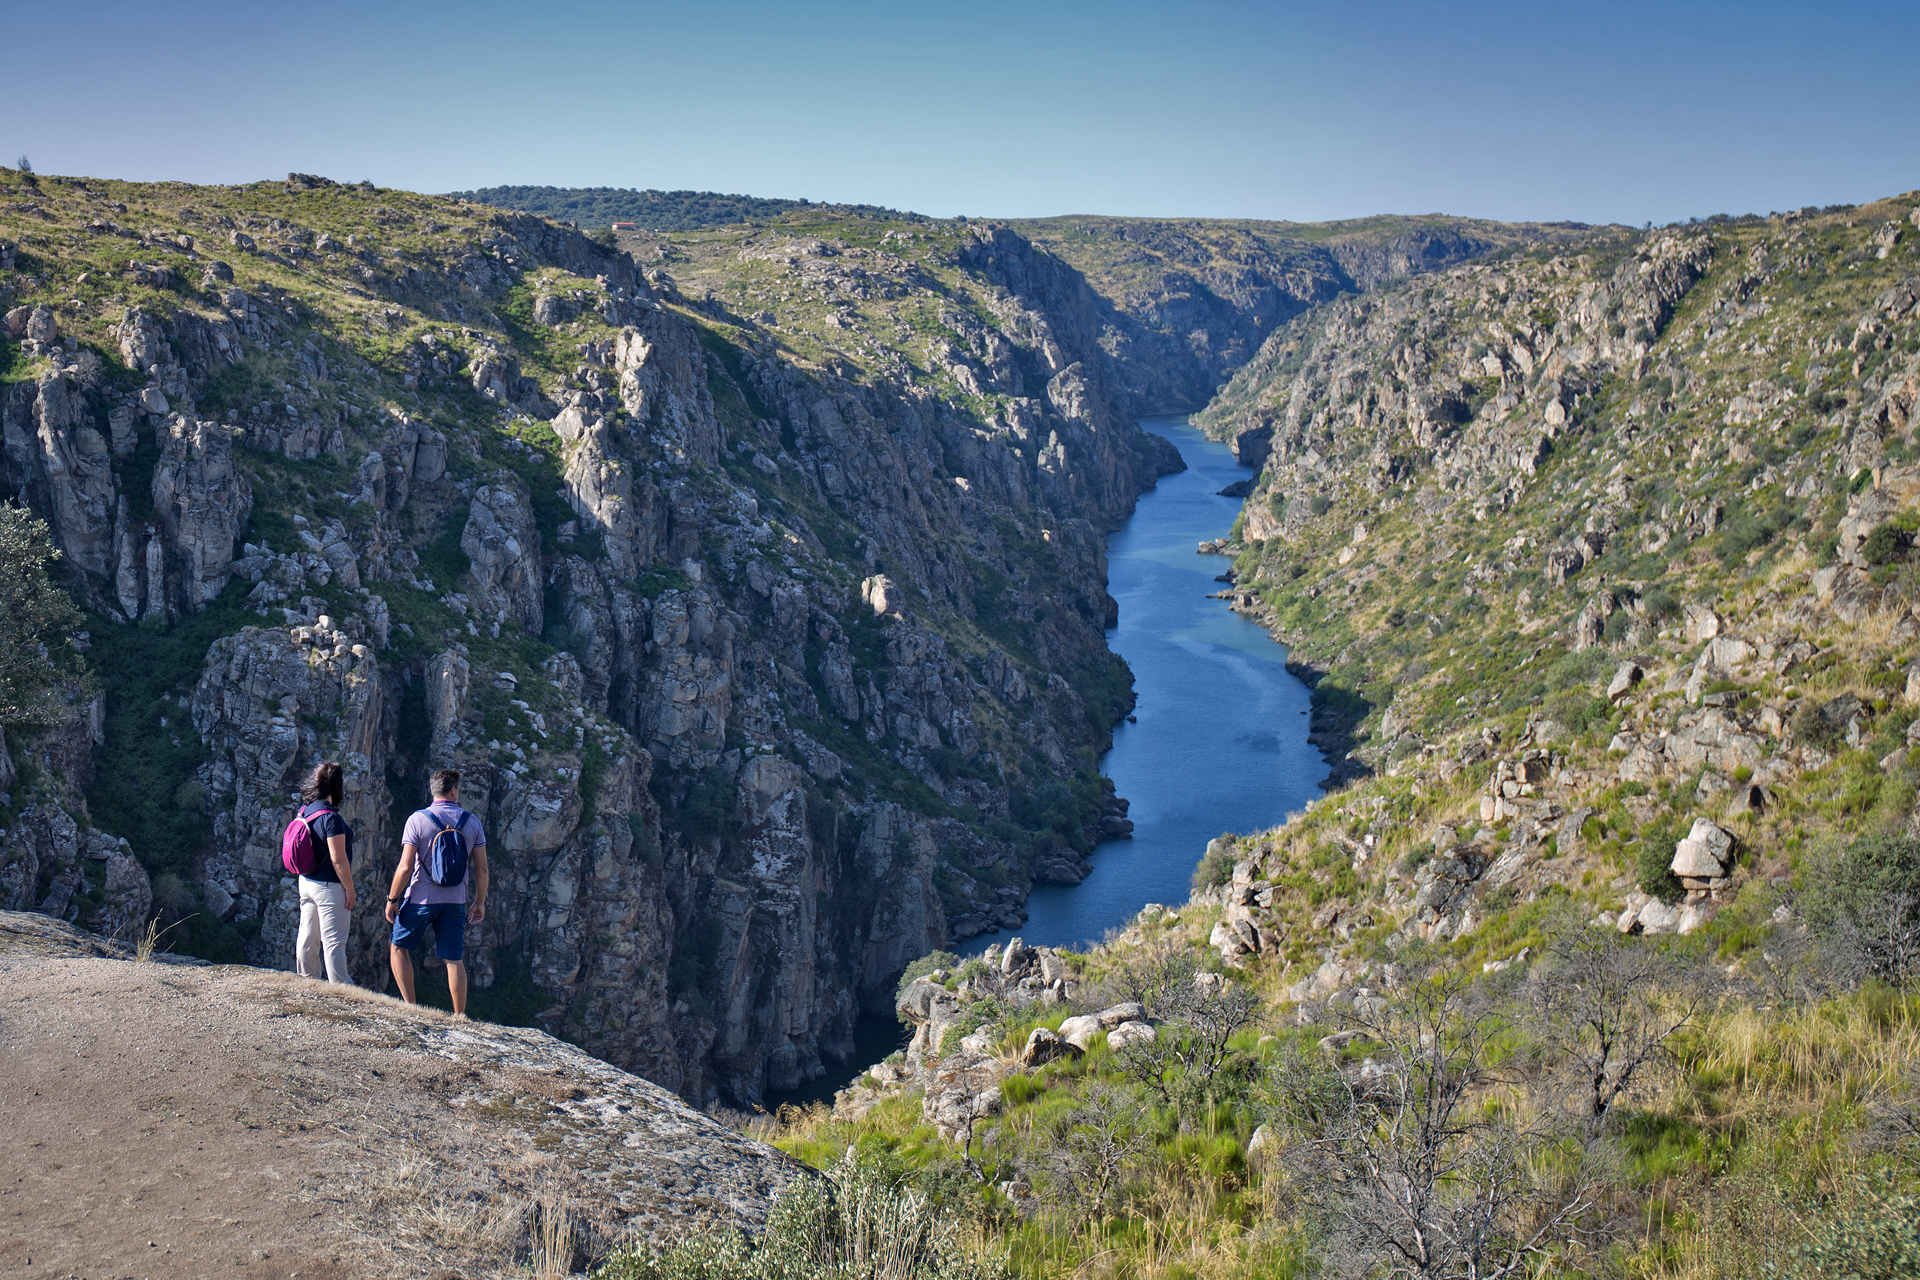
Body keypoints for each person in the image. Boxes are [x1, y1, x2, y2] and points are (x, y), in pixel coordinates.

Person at [385, 768, 489, 1015]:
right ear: (454, 791)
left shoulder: (417, 820)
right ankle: (459, 1016)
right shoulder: (471, 822)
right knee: (453, 959)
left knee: (398, 947)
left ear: (433, 791)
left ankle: (411, 1008)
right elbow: (482, 869)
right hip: (455, 901)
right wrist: (479, 902)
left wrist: (392, 899)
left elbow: (405, 866)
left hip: (421, 899)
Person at [294, 760, 356, 984]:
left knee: (308, 938)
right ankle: (341, 992)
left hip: (306, 882)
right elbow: (338, 859)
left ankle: (307, 982)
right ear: (338, 786)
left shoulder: (305, 810)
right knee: (334, 943)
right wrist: (349, 889)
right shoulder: (331, 818)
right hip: (329, 887)